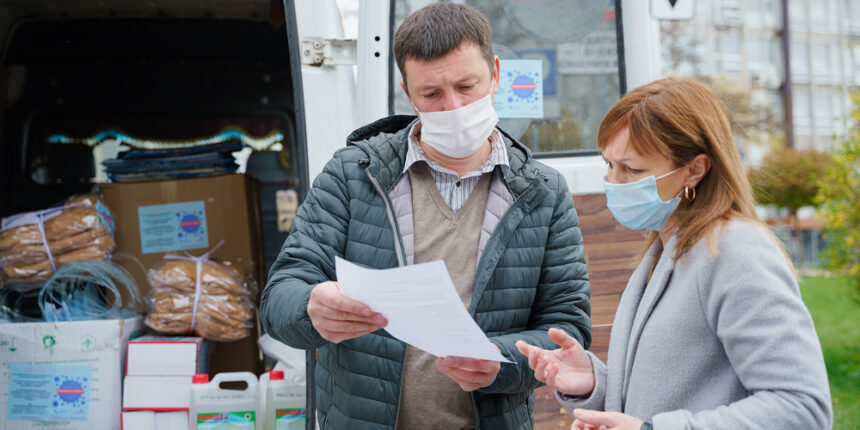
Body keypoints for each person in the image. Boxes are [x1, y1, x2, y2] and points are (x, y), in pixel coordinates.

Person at [260, 3, 592, 429]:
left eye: (466, 85)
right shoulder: (354, 174)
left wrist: (501, 362)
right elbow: (278, 297)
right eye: (432, 94)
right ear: (407, 91)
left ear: (495, 73)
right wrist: (309, 308)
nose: (453, 106)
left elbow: (567, 330)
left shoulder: (543, 193)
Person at [516, 78, 832, 430]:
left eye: (633, 169)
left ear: (695, 169)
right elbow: (675, 391)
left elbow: (803, 408)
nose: (613, 181)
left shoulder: (736, 250)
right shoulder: (664, 246)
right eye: (609, 164)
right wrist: (593, 382)